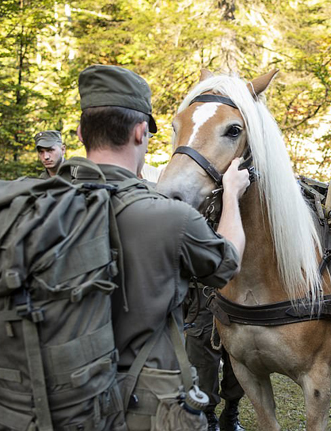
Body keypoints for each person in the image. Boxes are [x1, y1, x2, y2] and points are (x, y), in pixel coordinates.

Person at [75, 64, 250, 430]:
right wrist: (231, 196)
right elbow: (227, 262)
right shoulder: (166, 216)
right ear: (141, 132)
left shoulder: (20, 205)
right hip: (139, 403)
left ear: (78, 133)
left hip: (46, 403)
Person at [184, 283, 246, 431]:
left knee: (239, 353)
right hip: (203, 288)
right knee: (203, 357)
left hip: (238, 288)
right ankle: (207, 416)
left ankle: (231, 411)